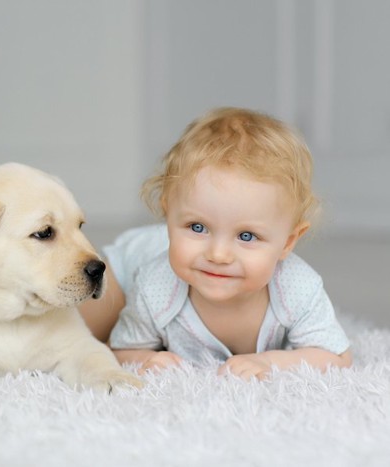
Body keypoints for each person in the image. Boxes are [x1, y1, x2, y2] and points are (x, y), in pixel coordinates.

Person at [80, 107, 352, 380]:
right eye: (197, 227)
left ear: (288, 242)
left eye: (247, 236)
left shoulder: (297, 288)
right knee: (84, 333)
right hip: (129, 266)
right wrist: (148, 358)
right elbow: (120, 350)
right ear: (169, 216)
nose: (218, 254)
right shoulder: (154, 286)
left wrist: (270, 362)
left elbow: (337, 356)